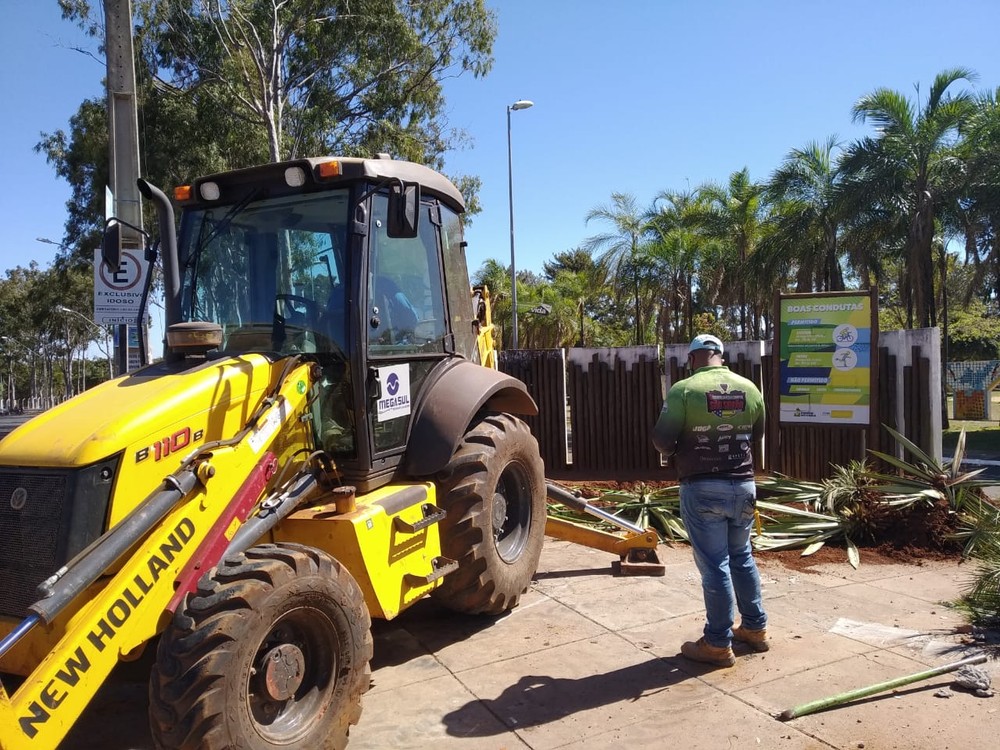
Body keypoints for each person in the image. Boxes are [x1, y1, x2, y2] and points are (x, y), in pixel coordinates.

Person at [652, 333, 769, 668]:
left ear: (692, 358)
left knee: (715, 564)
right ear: (721, 355)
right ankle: (755, 629)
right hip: (744, 486)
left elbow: (662, 440)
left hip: (702, 488)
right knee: (742, 557)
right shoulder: (749, 388)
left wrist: (677, 449)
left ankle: (717, 644)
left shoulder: (685, 390)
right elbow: (757, 436)